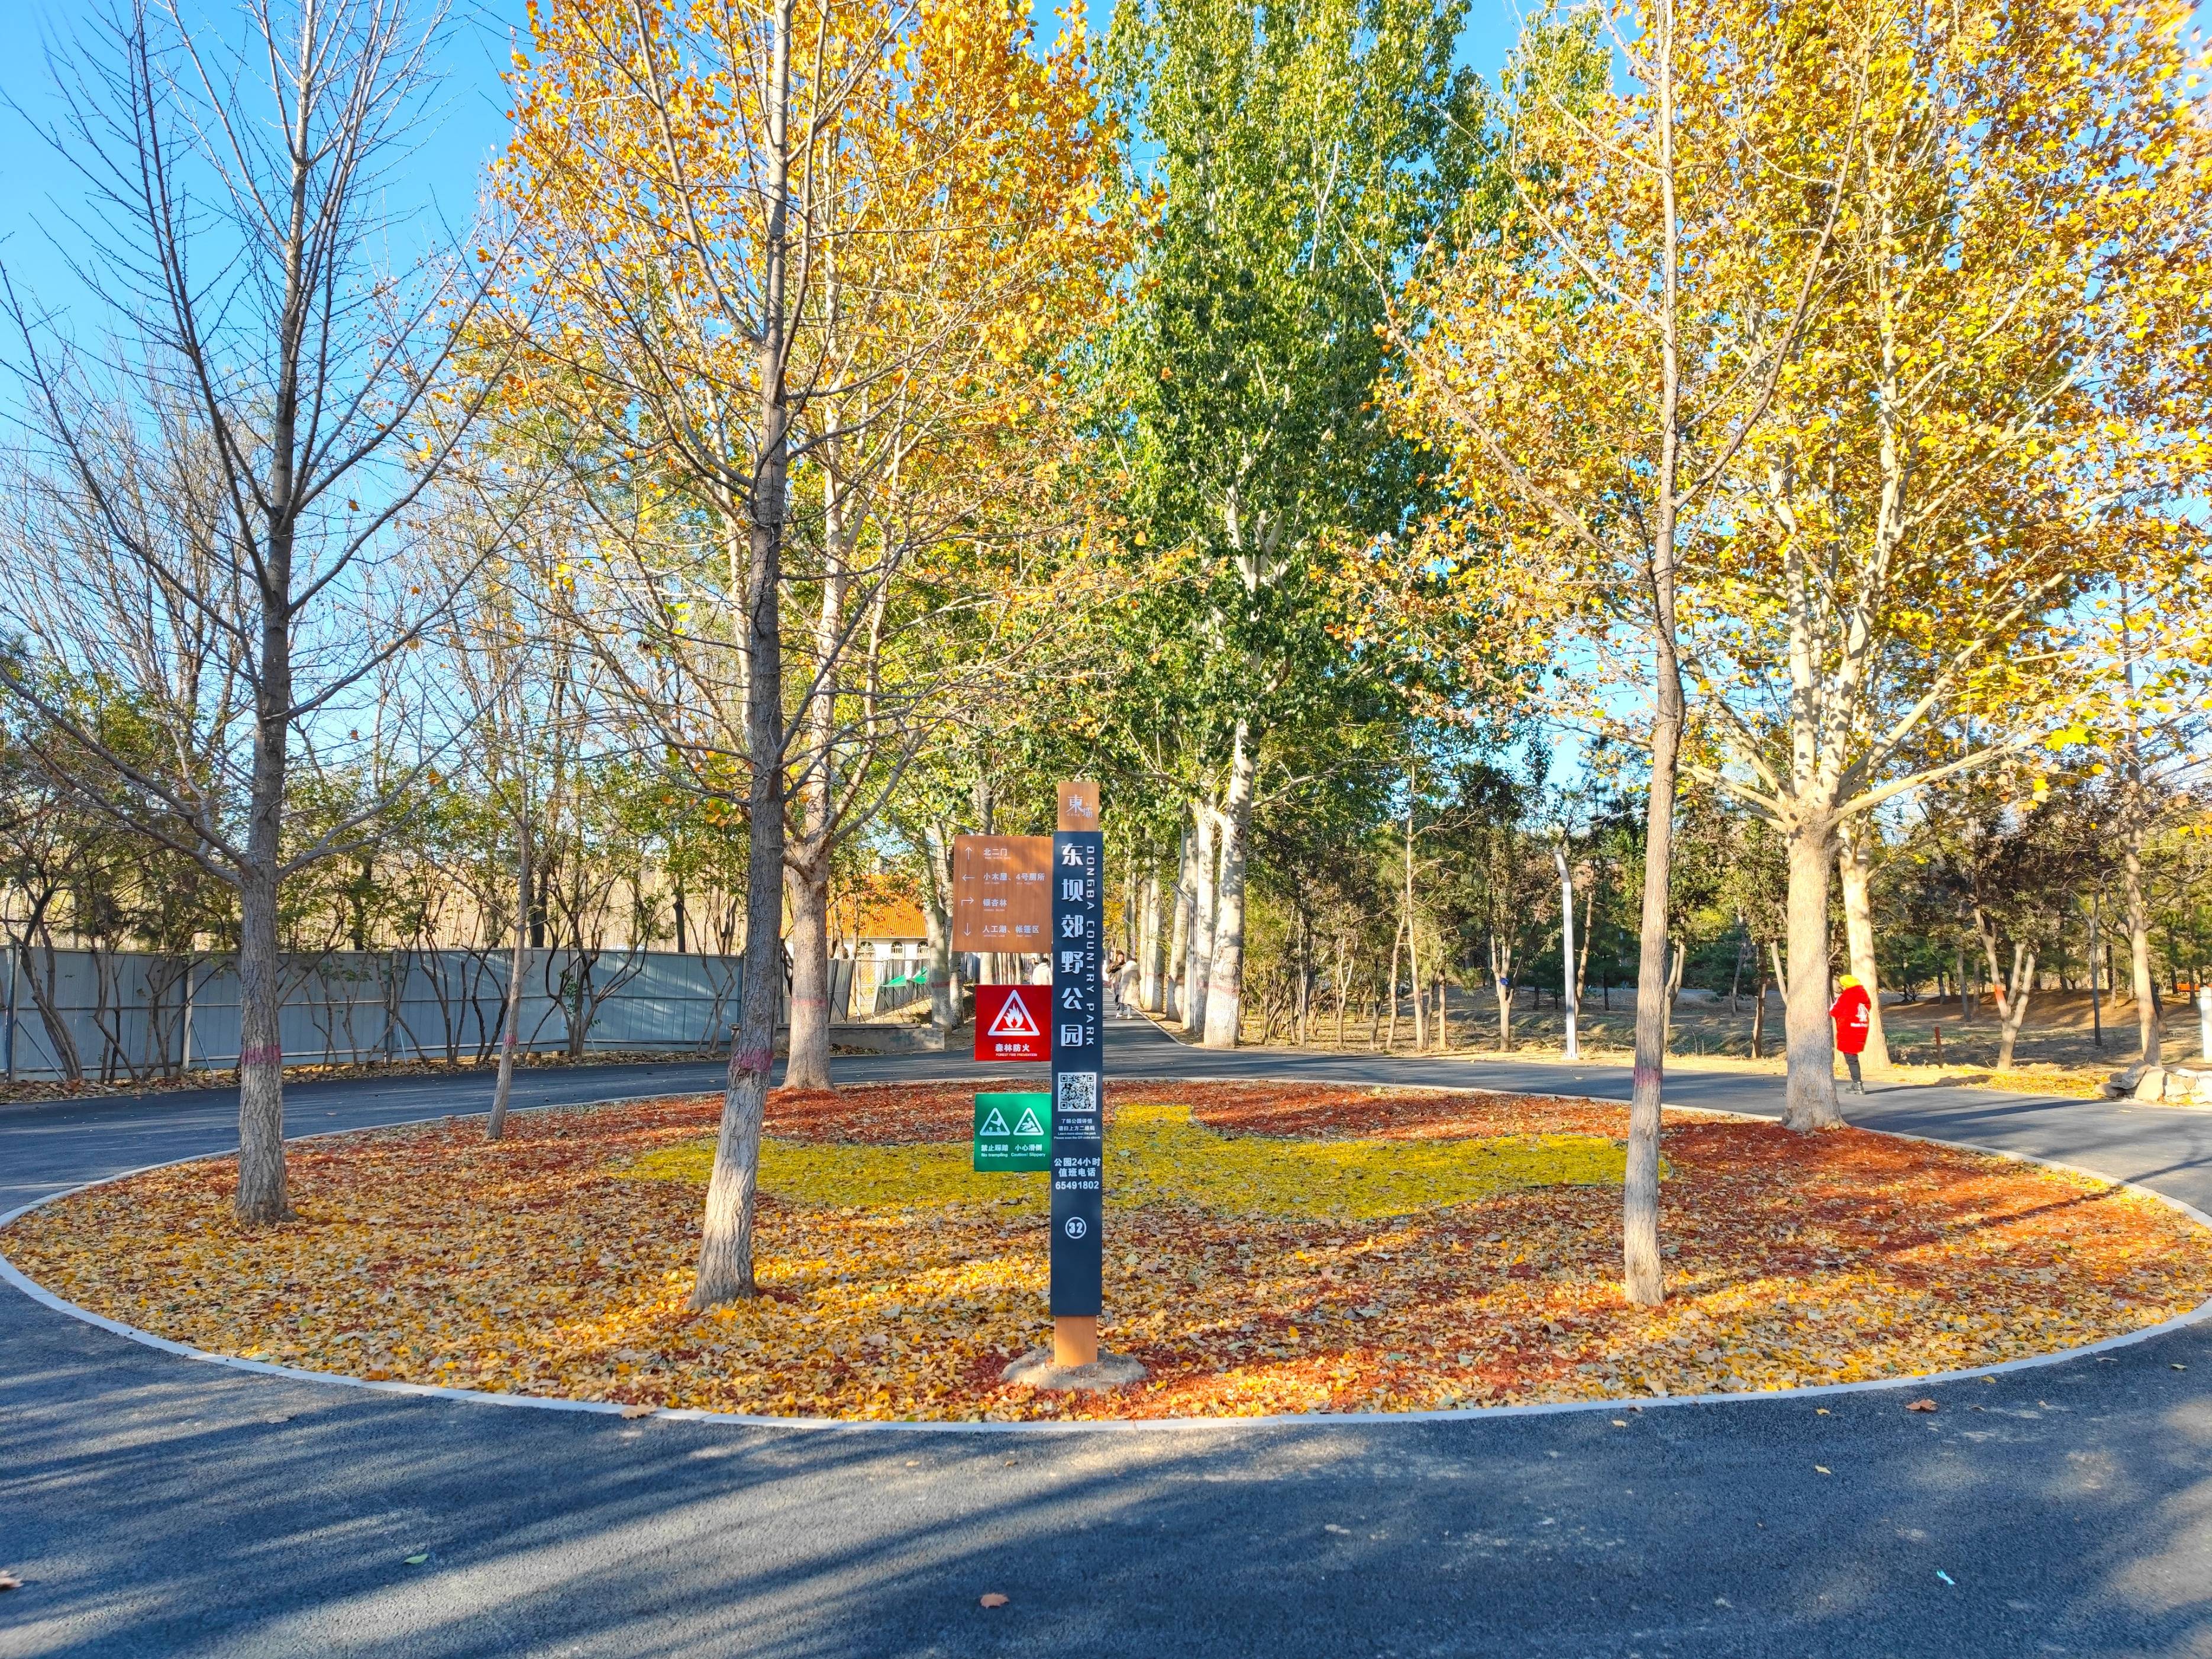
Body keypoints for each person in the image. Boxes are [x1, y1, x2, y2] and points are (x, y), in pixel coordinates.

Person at [1830, 971, 1872, 1093]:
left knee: (1851, 1058)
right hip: (1860, 1029)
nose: (1842, 987)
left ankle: (1857, 1084)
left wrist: (1835, 1004)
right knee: (1853, 1056)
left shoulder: (1847, 996)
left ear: (1846, 986)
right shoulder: (1863, 996)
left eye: (1843, 985)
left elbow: (1834, 1012)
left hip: (1848, 1030)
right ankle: (1857, 1083)